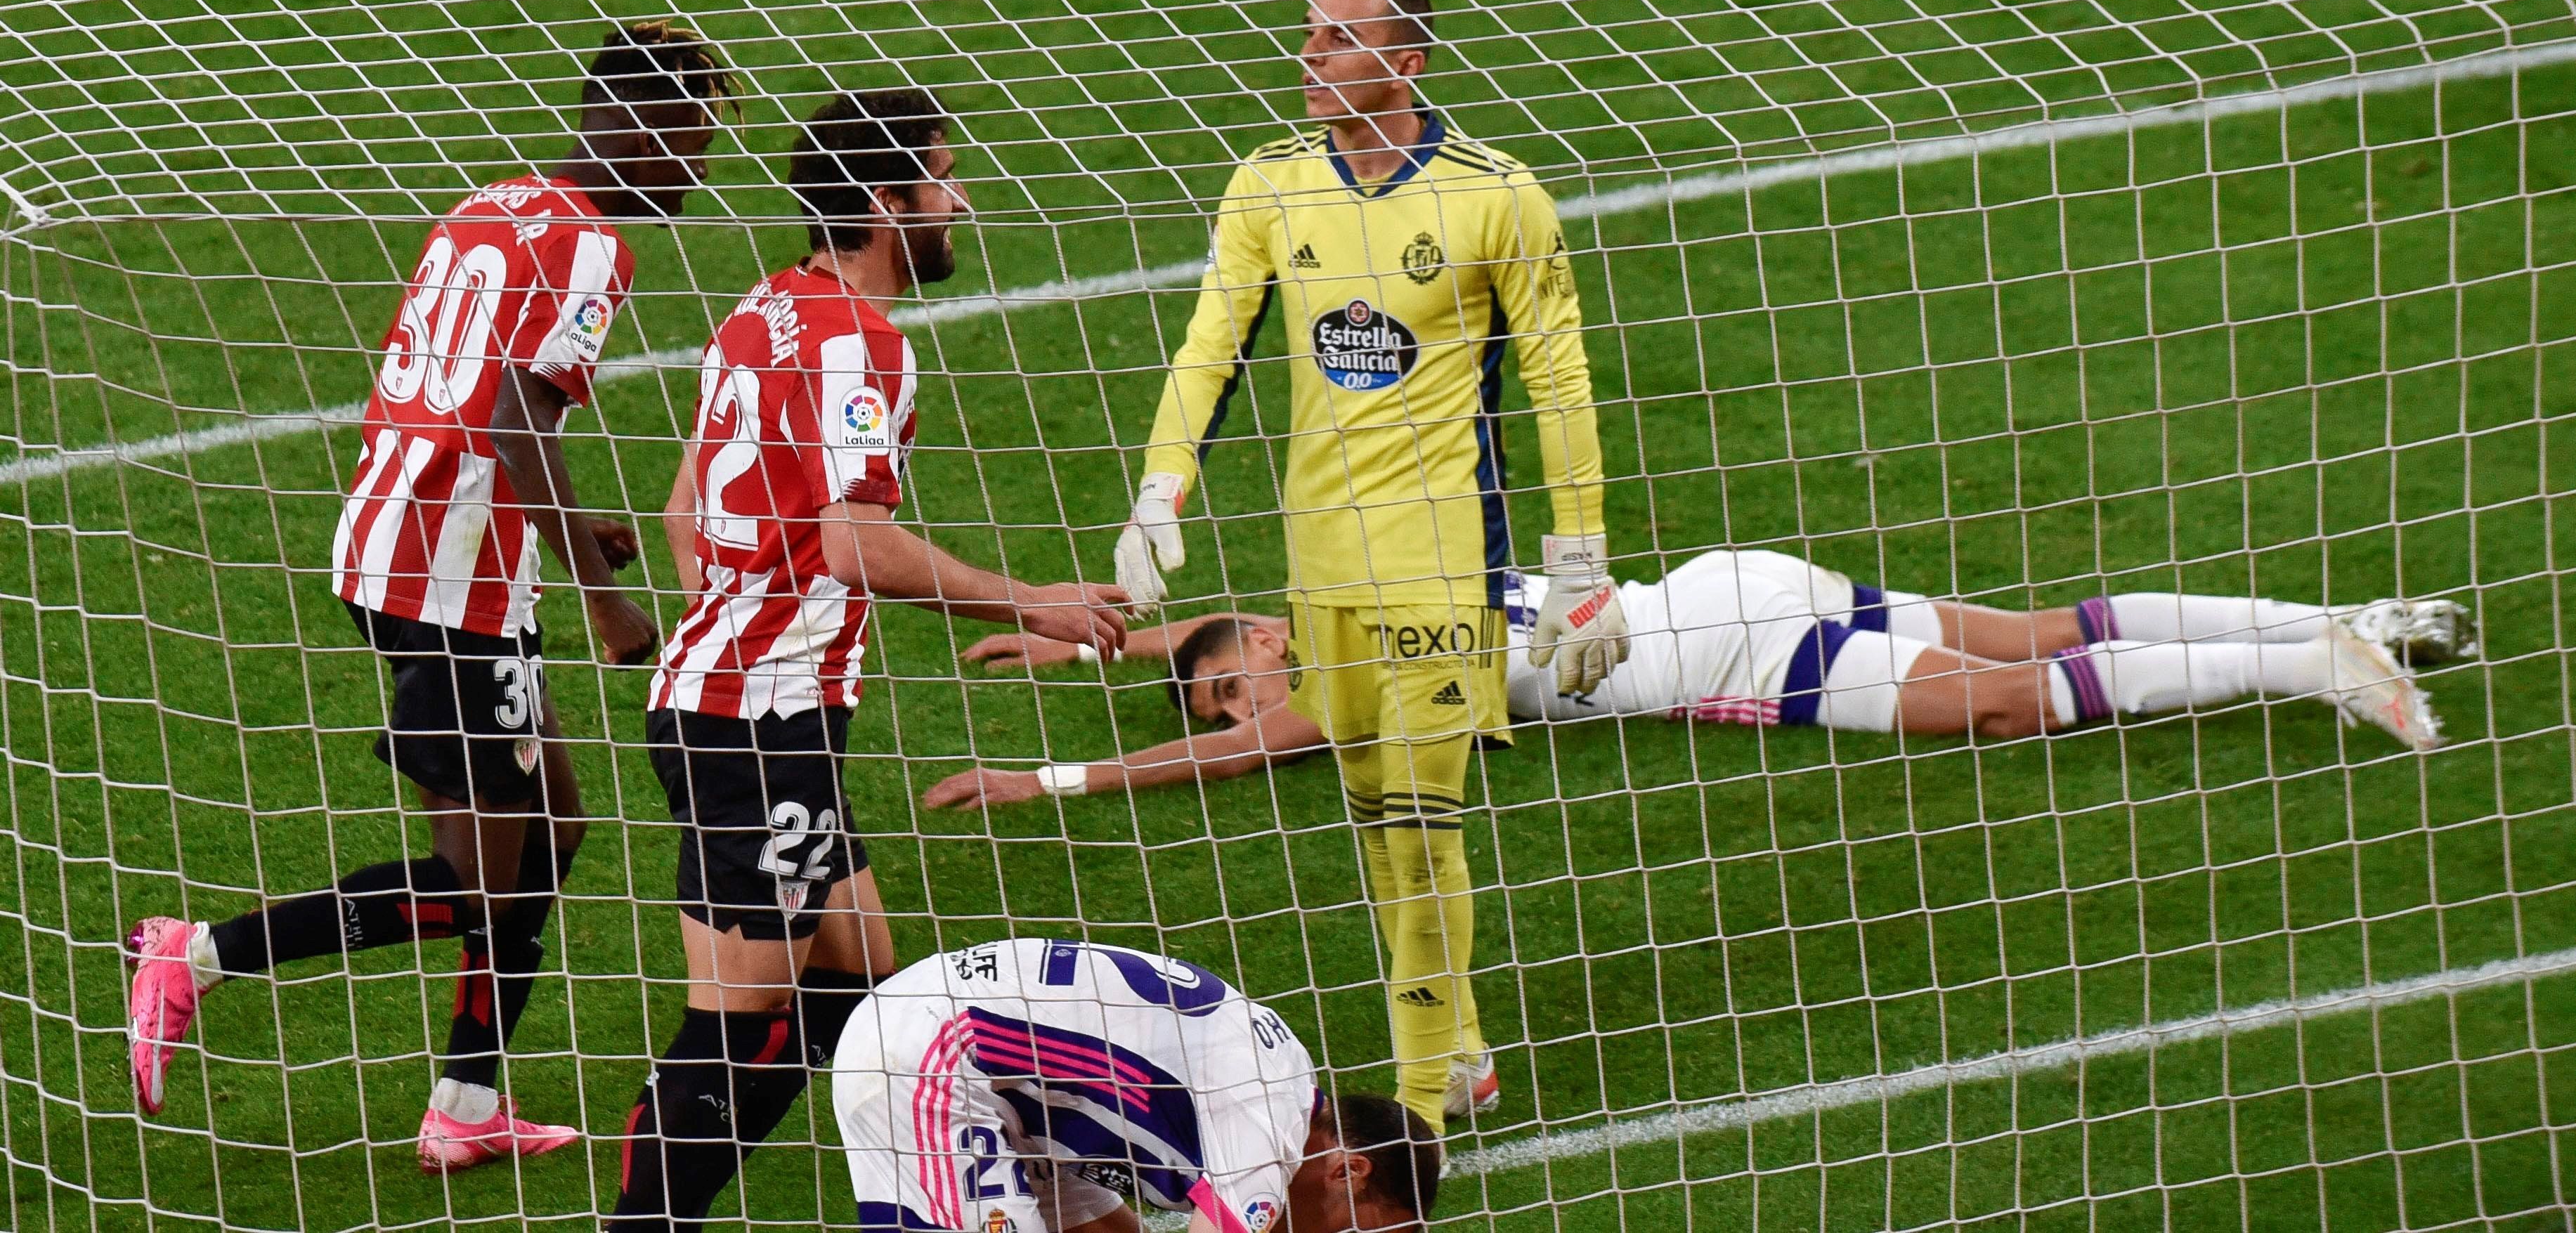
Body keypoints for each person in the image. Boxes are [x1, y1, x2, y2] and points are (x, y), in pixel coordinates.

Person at [126, 22, 737, 1170]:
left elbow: (465, 400)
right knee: (485, 881)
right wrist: (604, 596)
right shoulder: (597, 243)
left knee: (549, 832)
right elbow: (513, 417)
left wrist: (566, 519)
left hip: (392, 536)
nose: (696, 168)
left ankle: (464, 1107)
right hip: (456, 582)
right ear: (638, 121)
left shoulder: (494, 201)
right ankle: (195, 953)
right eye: (692, 138)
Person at [1112, 0, 1627, 1134]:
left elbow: (1560, 382)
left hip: (1447, 562)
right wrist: (1161, 486)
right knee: (1374, 821)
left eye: (1338, 41)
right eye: (1308, 36)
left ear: (1406, 61)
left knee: (1423, 813)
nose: (1309, 58)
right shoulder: (1271, 185)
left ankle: (1419, 1106)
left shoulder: (1499, 196)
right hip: (1322, 571)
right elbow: (1211, 344)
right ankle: (1465, 1043)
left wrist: (1582, 563)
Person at [604, 90, 1130, 1232]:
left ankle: (991, 1198)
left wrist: (740, 619)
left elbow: (685, 502)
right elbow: (852, 541)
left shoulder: (767, 305)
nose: (961, 201)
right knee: (744, 1028)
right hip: (754, 731)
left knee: (864, 994)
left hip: (743, 708)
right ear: (888, 204)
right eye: (942, 181)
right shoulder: (861, 344)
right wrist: (1032, 595)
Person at [925, 553, 2463, 803]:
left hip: (1719, 650)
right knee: (2040, 638)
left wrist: (1049, 776)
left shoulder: (1341, 669)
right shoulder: (1340, 584)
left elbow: (1237, 756)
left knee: (2008, 701)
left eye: (1230, 683)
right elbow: (1229, 660)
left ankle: (2325, 666)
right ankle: (2350, 620)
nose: (1244, 709)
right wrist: (1084, 636)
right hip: (1725, 581)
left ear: (1264, 651)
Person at [831, 937, 1438, 1233]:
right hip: (935, 1055)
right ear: (1347, 1171)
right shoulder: (1268, 1125)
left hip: (1016, 1097)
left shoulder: (1278, 1092)